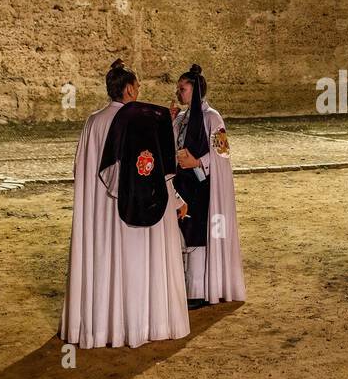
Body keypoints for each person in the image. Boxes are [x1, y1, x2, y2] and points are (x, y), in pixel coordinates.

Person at [61, 60, 190, 348]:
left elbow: (80, 170)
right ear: (130, 89)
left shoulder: (93, 122)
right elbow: (155, 170)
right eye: (138, 86)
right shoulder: (144, 120)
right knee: (136, 265)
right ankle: (147, 323)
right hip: (136, 213)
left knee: (107, 263)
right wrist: (176, 201)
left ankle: (102, 327)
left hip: (102, 216)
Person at [172, 64, 245, 307]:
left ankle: (200, 290)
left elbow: (222, 154)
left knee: (200, 234)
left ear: (195, 90)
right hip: (183, 185)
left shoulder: (213, 118)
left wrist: (197, 162)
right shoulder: (181, 118)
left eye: (182, 89)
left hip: (204, 187)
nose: (178, 93)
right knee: (185, 231)